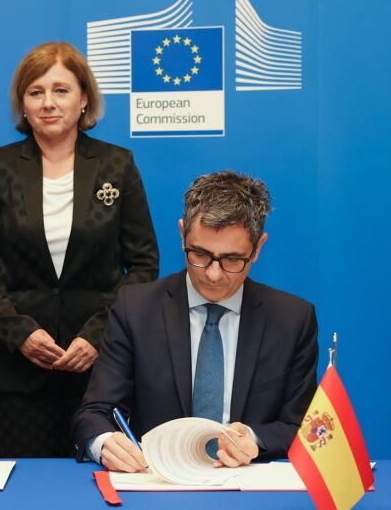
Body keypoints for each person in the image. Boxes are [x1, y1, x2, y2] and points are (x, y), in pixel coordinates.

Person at [0, 42, 159, 457]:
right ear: (23, 104)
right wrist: (20, 334)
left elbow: (143, 265)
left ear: (84, 98)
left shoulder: (117, 165)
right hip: (17, 372)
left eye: (61, 90)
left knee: (103, 474)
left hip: (100, 369)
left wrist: (98, 335)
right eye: (36, 92)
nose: (48, 102)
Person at [72, 170, 318, 471]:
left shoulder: (292, 320)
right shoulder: (135, 309)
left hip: (246, 483)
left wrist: (254, 439)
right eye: (200, 254)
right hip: (157, 481)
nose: (213, 274)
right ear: (182, 235)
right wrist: (104, 442)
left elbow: (302, 426)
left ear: (258, 248)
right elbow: (94, 414)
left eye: (232, 259)